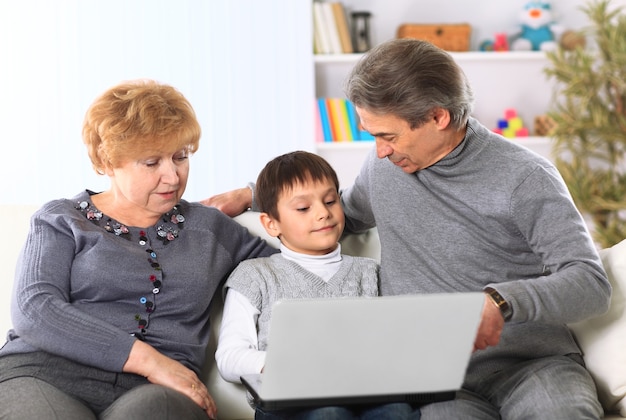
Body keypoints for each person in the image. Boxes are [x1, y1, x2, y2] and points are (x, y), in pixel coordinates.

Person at [203, 39, 612, 419]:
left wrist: (499, 303)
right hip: (434, 380)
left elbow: (590, 283)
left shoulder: (525, 178)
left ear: (438, 117)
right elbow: (338, 212)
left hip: (533, 363)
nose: (380, 150)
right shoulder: (385, 167)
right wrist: (253, 194)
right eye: (373, 136)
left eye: (388, 136)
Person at [0, 79, 278, 420]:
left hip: (157, 394)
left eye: (180, 157)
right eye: (151, 163)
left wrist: (254, 194)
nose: (173, 177)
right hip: (43, 374)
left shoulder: (210, 227)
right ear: (108, 161)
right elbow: (35, 309)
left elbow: (294, 264)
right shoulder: (61, 219)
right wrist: (151, 361)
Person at [215, 151, 416, 420]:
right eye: (303, 208)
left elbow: (398, 341)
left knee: (398, 411)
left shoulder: (369, 272)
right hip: (287, 403)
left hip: (364, 395)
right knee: (329, 414)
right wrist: (279, 364)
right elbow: (229, 357)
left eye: (331, 201)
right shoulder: (255, 275)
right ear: (271, 223)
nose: (323, 213)